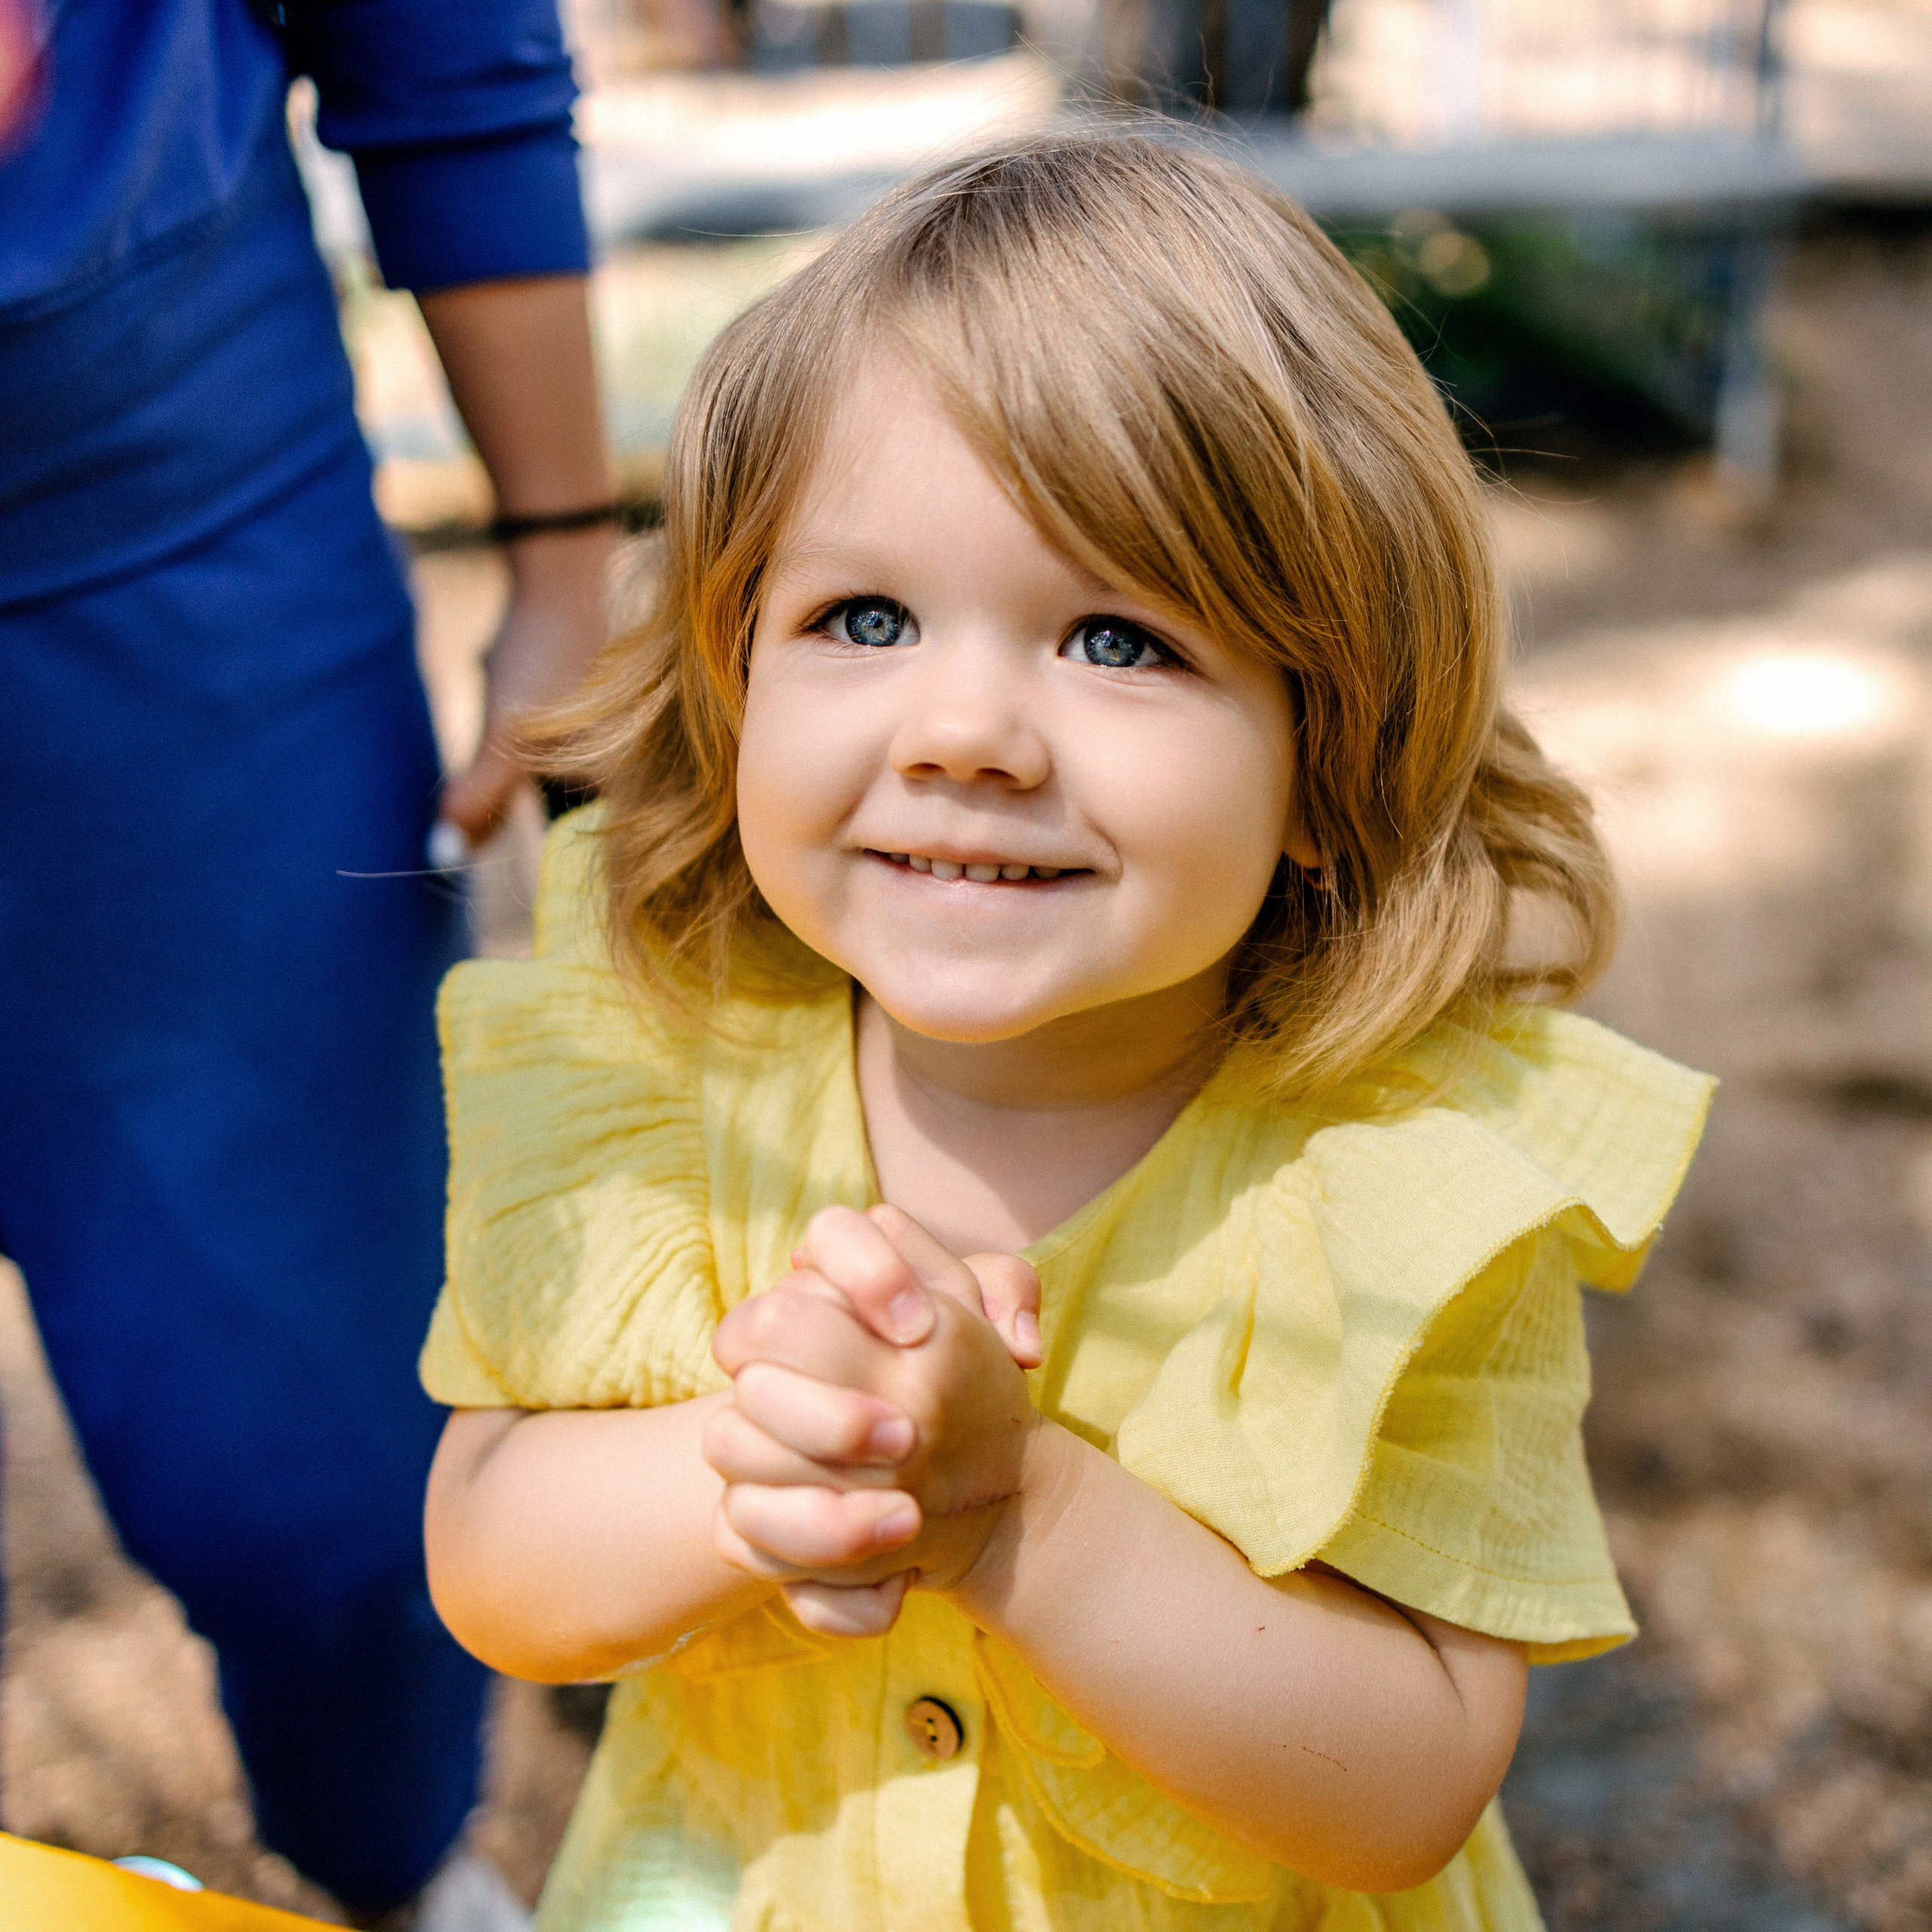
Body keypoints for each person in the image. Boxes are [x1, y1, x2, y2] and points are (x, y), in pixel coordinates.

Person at [417, 134, 1715, 1930]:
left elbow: (1407, 1780)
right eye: (861, 616)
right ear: (730, 685)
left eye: (1114, 637)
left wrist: (1007, 1502)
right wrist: (771, 1464)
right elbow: (489, 1562)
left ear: (1327, 764)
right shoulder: (656, 1049)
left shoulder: (1405, 1176)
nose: (965, 728)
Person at [0, 1, 611, 1922]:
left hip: (173, 589)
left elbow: (446, 50)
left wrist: (565, 562)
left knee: (313, 1474)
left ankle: (396, 1856)